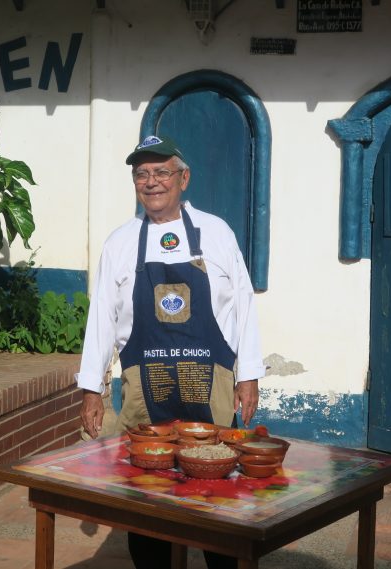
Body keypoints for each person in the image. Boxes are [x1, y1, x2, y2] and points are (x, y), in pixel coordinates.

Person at [77, 134, 265, 569]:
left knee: (217, 497)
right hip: (147, 393)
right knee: (147, 498)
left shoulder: (216, 233)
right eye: (141, 173)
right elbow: (102, 315)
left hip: (210, 387)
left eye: (161, 171)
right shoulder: (120, 242)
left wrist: (248, 373)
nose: (151, 181)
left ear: (184, 178)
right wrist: (91, 387)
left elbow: (243, 303)